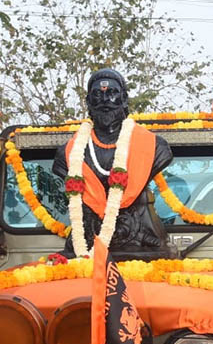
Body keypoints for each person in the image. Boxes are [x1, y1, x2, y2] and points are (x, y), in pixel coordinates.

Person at [53, 68, 173, 255]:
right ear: (88, 102)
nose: (105, 101)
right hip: (83, 251)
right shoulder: (68, 154)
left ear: (124, 99)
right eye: (97, 95)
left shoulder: (155, 147)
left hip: (143, 248)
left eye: (112, 93)